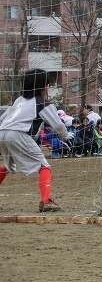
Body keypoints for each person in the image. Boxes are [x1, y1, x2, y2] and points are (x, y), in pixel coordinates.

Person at [0, 69, 67, 212]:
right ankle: (46, 201)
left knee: (6, 165)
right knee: (44, 166)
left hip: (2, 132)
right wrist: (66, 136)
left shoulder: (18, 100)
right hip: (18, 134)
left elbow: (3, 118)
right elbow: (57, 125)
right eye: (48, 84)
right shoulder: (42, 102)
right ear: (42, 86)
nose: (49, 87)